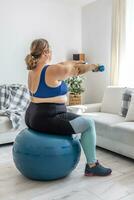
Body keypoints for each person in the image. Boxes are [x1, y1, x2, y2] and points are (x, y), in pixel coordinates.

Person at [25, 38, 112, 177]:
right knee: (89, 124)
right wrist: (92, 66)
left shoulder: (33, 70)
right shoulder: (52, 70)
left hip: (31, 115)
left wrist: (73, 62)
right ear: (46, 52)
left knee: (77, 118)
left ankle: (92, 164)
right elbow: (76, 70)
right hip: (48, 117)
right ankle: (92, 165)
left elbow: (63, 64)